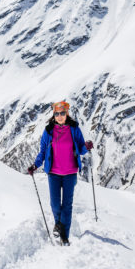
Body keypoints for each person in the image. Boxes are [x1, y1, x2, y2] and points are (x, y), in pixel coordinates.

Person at [27, 101, 93, 246]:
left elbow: (81, 148)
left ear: (67, 113)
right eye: (57, 114)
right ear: (54, 115)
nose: (60, 116)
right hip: (53, 173)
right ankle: (58, 224)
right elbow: (43, 152)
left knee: (67, 205)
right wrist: (35, 165)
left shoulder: (74, 129)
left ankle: (64, 236)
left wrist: (86, 147)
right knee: (55, 204)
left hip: (70, 173)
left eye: (62, 113)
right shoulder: (49, 131)